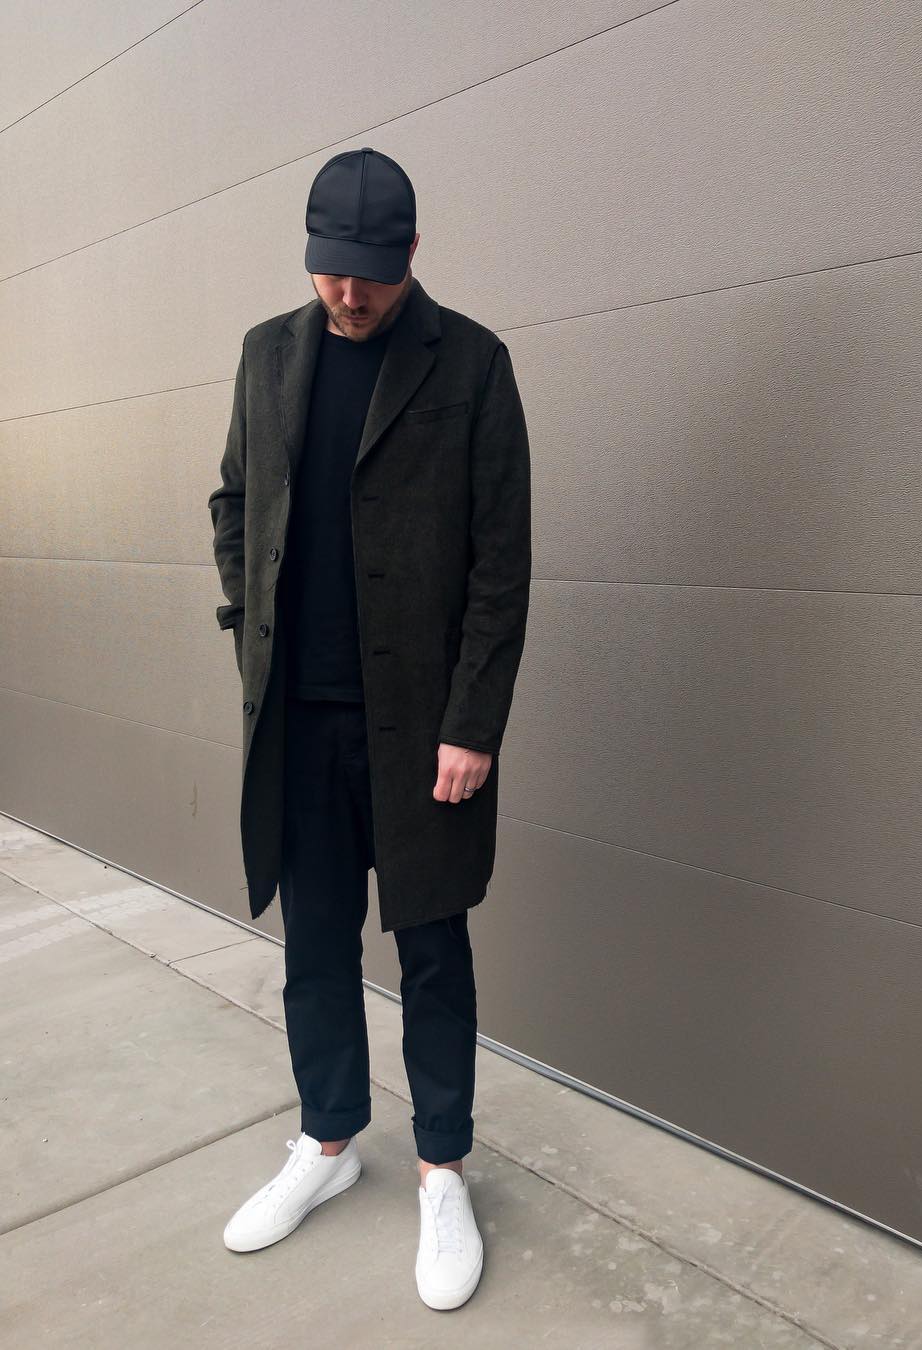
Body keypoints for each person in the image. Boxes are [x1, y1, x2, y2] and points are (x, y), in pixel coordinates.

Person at [208, 147, 532, 1312]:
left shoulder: (472, 363)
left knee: (433, 950)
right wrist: (250, 632)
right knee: (315, 947)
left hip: (422, 730)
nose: (348, 294)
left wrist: (472, 722)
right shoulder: (268, 353)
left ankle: (443, 1169)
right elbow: (235, 502)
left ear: (410, 255)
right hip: (298, 722)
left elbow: (501, 559)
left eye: (371, 275)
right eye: (330, 271)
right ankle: (330, 1139)